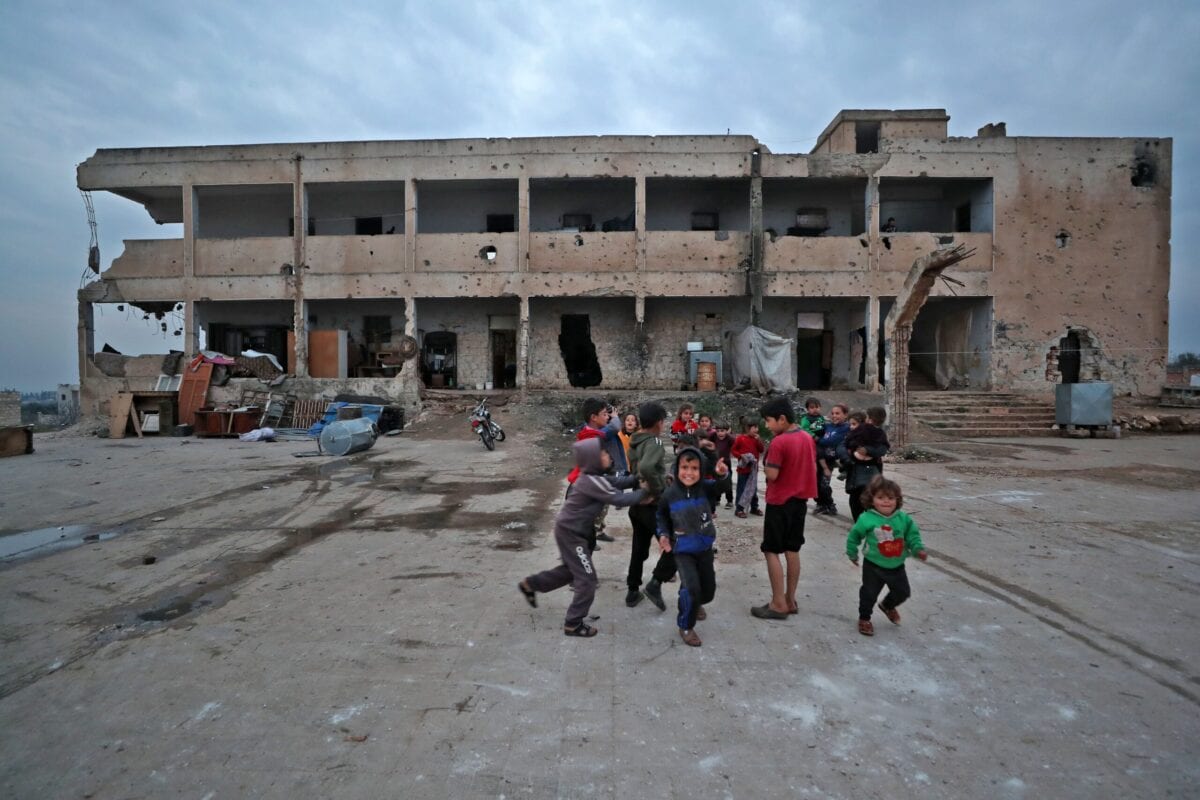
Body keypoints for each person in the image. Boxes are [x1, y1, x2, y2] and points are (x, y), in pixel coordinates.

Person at [518, 438, 647, 637]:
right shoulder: (592, 481)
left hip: (571, 530)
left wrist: (638, 478)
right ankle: (573, 623)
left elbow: (621, 482)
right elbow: (619, 498)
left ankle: (531, 584)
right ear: (593, 459)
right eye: (603, 454)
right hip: (572, 534)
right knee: (587, 579)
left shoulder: (594, 477)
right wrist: (647, 492)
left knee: (571, 571)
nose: (608, 456)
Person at [750, 397, 817, 621]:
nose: (767, 426)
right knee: (793, 550)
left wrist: (762, 463)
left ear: (782, 418)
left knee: (771, 550)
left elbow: (773, 475)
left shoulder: (779, 442)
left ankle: (778, 603)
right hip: (800, 503)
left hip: (780, 503)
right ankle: (790, 599)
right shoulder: (807, 437)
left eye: (768, 421)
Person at [654, 446, 728, 646]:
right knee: (692, 588)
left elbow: (722, 487)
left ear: (701, 470)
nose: (689, 472)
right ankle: (686, 625)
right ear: (677, 468)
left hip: (704, 548)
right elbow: (660, 517)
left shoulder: (705, 488)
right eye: (684, 467)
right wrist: (663, 536)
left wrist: (722, 475)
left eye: (694, 468)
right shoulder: (669, 494)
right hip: (683, 550)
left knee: (708, 590)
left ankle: (694, 602)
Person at [846, 476, 926, 636]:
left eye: (890, 498)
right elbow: (854, 536)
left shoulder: (903, 518)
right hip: (873, 565)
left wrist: (917, 548)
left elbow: (912, 535)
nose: (886, 502)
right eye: (880, 498)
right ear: (871, 499)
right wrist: (852, 552)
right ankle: (864, 618)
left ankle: (888, 605)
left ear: (897, 499)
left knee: (903, 592)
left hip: (896, 565)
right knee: (869, 594)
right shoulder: (866, 518)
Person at [626, 401, 677, 610]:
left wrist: (662, 477)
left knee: (639, 548)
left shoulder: (635, 440)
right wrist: (659, 489)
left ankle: (632, 591)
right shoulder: (654, 442)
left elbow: (639, 468)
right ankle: (655, 583)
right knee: (675, 546)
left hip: (636, 504)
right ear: (658, 423)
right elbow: (647, 467)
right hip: (652, 505)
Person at [566, 398, 623, 542]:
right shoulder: (592, 436)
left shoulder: (593, 433)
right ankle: (589, 536)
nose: (607, 417)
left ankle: (595, 532)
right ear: (593, 417)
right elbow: (615, 427)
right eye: (604, 414)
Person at [838, 406, 891, 521]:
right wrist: (847, 458)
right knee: (855, 497)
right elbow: (843, 446)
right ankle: (859, 521)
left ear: (870, 418)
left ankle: (868, 520)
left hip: (871, 469)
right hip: (855, 468)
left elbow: (883, 449)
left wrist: (868, 451)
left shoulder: (879, 433)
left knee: (870, 495)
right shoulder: (859, 431)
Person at [813, 403, 849, 516]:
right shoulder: (828, 425)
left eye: (838, 413)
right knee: (814, 483)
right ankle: (820, 504)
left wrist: (818, 440)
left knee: (824, 484)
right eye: (832, 413)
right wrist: (820, 419)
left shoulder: (846, 428)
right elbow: (812, 428)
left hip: (829, 460)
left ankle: (830, 505)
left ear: (845, 415)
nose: (834, 416)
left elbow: (831, 441)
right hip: (818, 458)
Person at [731, 419, 765, 518]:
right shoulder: (740, 438)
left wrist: (759, 440)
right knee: (741, 489)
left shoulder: (756, 439)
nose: (756, 430)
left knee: (753, 489)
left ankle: (754, 507)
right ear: (747, 429)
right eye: (754, 428)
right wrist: (741, 456)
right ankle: (739, 509)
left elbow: (761, 449)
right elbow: (733, 450)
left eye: (757, 427)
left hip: (753, 470)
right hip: (743, 469)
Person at [711, 422, 736, 509]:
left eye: (722, 431)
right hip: (716, 463)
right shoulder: (713, 436)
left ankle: (729, 501)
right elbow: (706, 438)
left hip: (726, 463)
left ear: (726, 431)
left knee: (727, 482)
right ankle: (717, 499)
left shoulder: (729, 438)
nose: (720, 433)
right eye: (718, 431)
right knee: (716, 481)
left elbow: (736, 443)